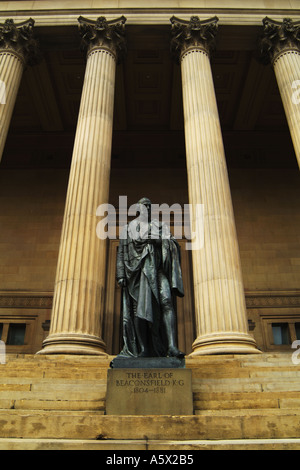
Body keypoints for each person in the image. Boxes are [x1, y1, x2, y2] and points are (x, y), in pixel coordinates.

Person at [116, 197, 184, 358]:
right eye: (143, 205)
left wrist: (159, 240)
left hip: (158, 270)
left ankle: (172, 347)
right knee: (139, 310)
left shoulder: (160, 226)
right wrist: (120, 274)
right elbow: (121, 252)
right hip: (136, 273)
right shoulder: (128, 228)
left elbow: (173, 245)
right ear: (138, 208)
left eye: (148, 205)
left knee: (167, 301)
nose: (146, 207)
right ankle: (143, 348)